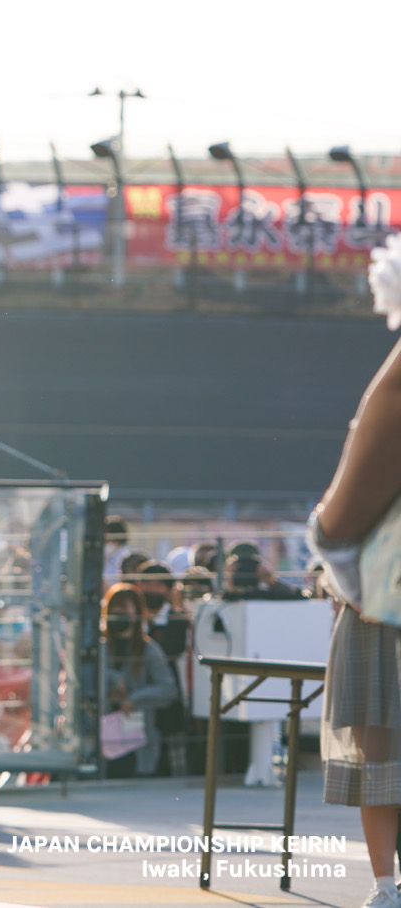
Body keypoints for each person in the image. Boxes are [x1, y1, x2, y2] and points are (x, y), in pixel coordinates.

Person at [307, 315, 401, 908]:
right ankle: (385, 883)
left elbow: (333, 537)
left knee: (381, 760)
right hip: (373, 629)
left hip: (375, 621)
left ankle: (387, 885)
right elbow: (334, 547)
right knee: (378, 763)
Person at [100, 583, 179, 778]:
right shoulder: (99, 647)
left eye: (124, 608)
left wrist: (134, 699)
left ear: (136, 612)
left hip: (137, 740)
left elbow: (168, 688)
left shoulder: (149, 649)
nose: (119, 613)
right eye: (114, 609)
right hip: (101, 739)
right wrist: (113, 679)